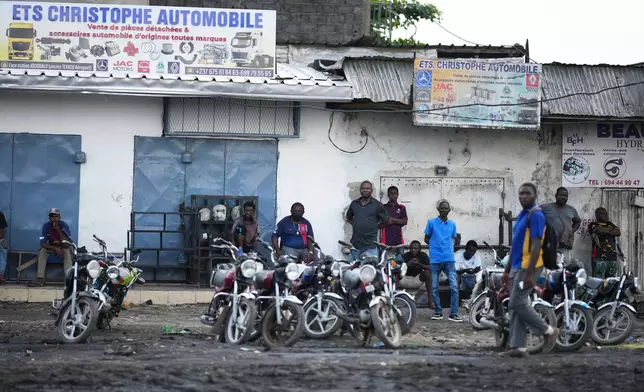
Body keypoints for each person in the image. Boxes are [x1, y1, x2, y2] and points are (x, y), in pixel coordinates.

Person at [501, 183, 558, 357]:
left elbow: (536, 246)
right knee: (518, 304)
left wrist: (528, 273)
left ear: (535, 195)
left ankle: (548, 330)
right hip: (518, 264)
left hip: (530, 265)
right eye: (521, 193)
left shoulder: (536, 215)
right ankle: (519, 347)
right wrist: (506, 270)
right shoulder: (522, 216)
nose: (523, 196)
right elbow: (515, 246)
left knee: (516, 302)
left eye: (527, 193)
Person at [424, 199, 462, 322]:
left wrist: (448, 248)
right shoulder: (431, 223)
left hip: (449, 259)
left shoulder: (452, 224)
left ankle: (454, 313)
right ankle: (438, 311)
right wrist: (435, 247)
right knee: (434, 287)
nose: (444, 210)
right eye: (442, 208)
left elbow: (454, 239)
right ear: (438, 209)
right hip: (435, 259)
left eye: (446, 208)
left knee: (454, 287)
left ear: (449, 210)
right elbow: (426, 238)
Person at [345, 181, 391, 262]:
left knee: (369, 272)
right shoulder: (354, 204)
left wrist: (375, 226)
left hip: (370, 247)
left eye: (367, 188)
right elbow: (349, 217)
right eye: (363, 188)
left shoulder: (377, 205)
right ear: (360, 190)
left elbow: (387, 221)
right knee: (351, 272)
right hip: (355, 246)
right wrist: (356, 224)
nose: (365, 190)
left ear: (371, 190)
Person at [540, 187, 581, 264]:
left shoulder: (571, 209)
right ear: (556, 195)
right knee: (549, 267)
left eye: (566, 196)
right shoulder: (546, 207)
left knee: (565, 266)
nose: (563, 197)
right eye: (561, 195)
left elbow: (578, 221)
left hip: (565, 245)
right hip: (549, 244)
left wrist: (571, 231)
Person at [34, 208, 73, 287]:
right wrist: (55, 248)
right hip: (53, 248)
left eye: (56, 216)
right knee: (42, 251)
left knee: (67, 252)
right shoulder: (46, 226)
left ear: (60, 217)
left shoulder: (64, 225)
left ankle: (68, 281)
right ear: (49, 218)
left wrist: (58, 230)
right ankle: (40, 279)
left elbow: (67, 244)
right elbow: (42, 244)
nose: (54, 219)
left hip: (64, 247)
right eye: (52, 217)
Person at [400, 240, 434, 309]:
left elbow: (431, 268)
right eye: (412, 248)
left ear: (419, 249)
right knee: (394, 272)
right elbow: (398, 268)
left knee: (427, 272)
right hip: (404, 279)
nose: (413, 250)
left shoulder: (423, 255)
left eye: (416, 248)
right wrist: (408, 264)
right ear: (409, 249)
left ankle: (430, 302)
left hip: (417, 280)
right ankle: (395, 300)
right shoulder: (406, 255)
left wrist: (418, 264)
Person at [588, 207, 621, 278]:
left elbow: (618, 232)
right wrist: (612, 230)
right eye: (602, 213)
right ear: (597, 215)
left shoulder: (610, 224)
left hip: (612, 257)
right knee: (598, 279)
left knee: (611, 280)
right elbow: (599, 230)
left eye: (606, 213)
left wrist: (606, 230)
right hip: (598, 257)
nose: (606, 215)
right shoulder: (593, 224)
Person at [455, 240, 482, 309]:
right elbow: (456, 270)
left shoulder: (476, 255)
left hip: (472, 276)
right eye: (470, 251)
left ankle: (476, 302)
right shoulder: (458, 255)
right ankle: (456, 302)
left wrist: (473, 271)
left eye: (473, 252)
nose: (472, 253)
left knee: (481, 276)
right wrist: (466, 270)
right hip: (461, 276)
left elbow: (478, 268)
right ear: (466, 249)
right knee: (456, 276)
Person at [0, 210, 7, 284]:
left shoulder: (0, 214)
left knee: (3, 249)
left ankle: (1, 274)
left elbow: (2, 231)